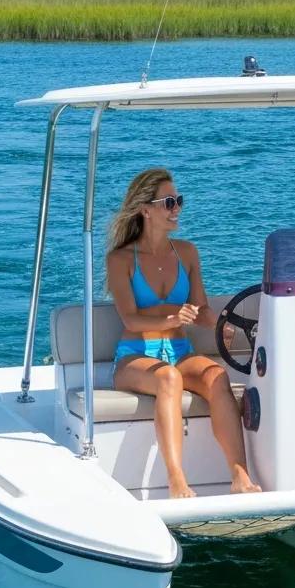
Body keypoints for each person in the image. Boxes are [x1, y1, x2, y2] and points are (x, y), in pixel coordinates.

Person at [106, 168, 261, 498]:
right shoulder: (120, 259)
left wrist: (221, 324)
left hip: (180, 352)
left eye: (179, 201)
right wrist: (175, 318)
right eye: (169, 202)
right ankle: (177, 479)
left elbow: (201, 311)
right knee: (168, 379)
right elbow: (131, 320)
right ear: (146, 209)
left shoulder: (187, 252)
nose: (177, 208)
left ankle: (239, 473)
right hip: (135, 356)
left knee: (217, 375)